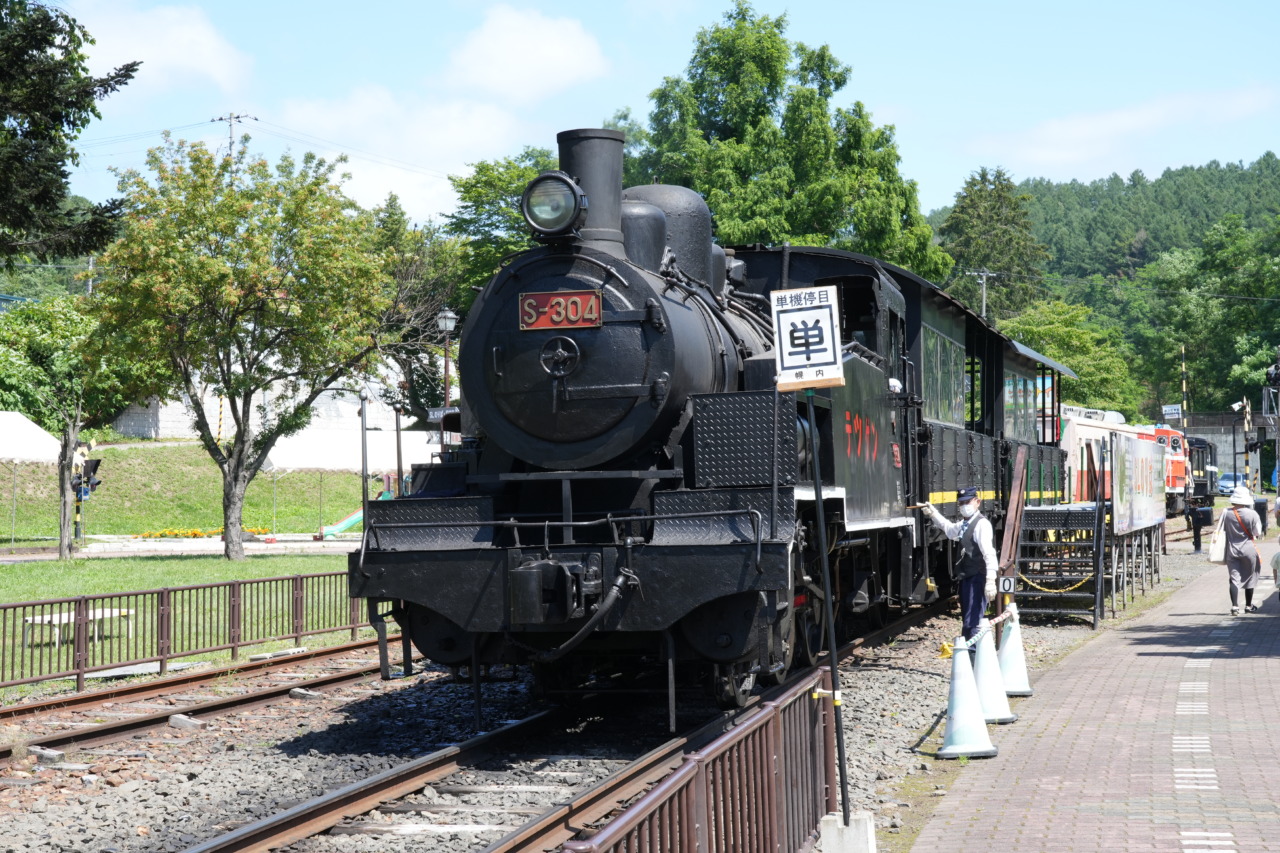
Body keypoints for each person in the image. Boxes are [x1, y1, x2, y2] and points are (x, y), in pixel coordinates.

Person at [919, 486, 998, 644]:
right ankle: (971, 653)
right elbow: (949, 529)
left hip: (977, 576)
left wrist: (990, 579)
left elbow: (989, 553)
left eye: (967, 502)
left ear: (977, 502)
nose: (964, 506)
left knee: (973, 620)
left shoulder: (981, 525)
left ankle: (974, 655)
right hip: (966, 577)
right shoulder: (965, 524)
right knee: (967, 618)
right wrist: (933, 514)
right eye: (961, 503)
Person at [1223, 485, 1262, 615]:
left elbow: (1222, 531)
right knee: (1250, 576)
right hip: (1248, 548)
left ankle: (1234, 606)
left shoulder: (1226, 513)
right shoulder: (1253, 514)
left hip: (1232, 549)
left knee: (1234, 578)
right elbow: (1257, 532)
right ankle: (1248, 606)